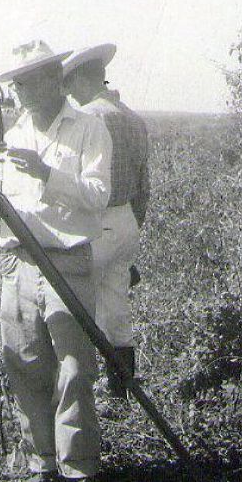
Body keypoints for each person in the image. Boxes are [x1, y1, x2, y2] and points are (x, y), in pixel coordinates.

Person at [0, 40, 113, 482]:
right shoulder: (15, 131)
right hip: (19, 258)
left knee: (74, 364)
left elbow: (98, 195)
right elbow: (4, 200)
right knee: (24, 361)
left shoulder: (89, 127)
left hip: (67, 257)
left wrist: (47, 174)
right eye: (14, 82)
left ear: (50, 79)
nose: (17, 90)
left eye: (23, 81)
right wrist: (4, 251)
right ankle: (40, 463)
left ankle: (79, 470)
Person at [62, 44, 150, 398]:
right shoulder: (131, 117)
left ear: (83, 79)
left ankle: (77, 397)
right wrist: (131, 227)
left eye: (70, 83)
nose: (67, 91)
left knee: (73, 309)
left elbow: (75, 182)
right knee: (116, 314)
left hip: (96, 224)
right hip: (126, 219)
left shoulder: (89, 119)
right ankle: (122, 396)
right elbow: (144, 186)